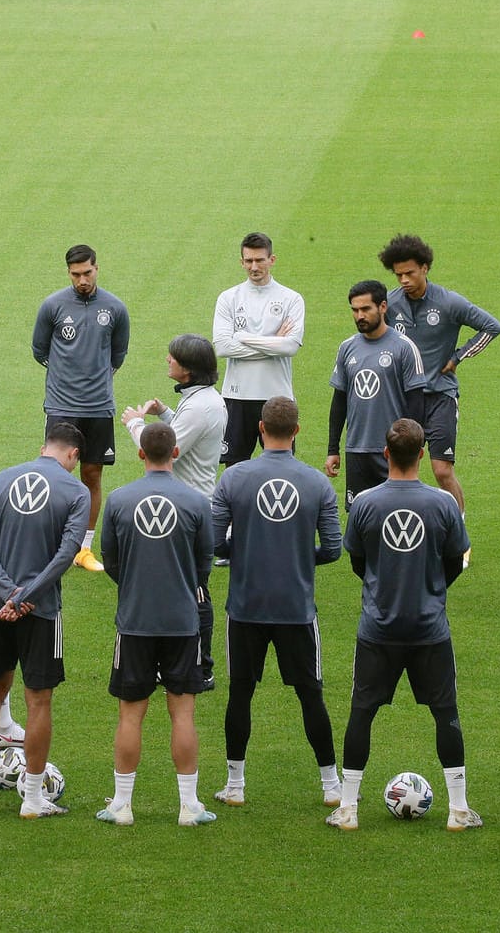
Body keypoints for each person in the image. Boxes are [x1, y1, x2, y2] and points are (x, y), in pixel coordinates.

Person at [328, 419, 479, 832]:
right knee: (445, 712)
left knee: (362, 712)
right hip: (430, 628)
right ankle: (459, 811)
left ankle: (348, 810)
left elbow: (359, 561)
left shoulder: (365, 503)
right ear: (422, 452)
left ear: (385, 453)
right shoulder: (444, 503)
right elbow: (458, 559)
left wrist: (383, 587)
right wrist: (433, 588)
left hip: (377, 628)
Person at [208, 396, 342, 808]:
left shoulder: (232, 479)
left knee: (240, 693)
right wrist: (301, 556)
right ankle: (331, 785)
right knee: (310, 694)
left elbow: (214, 544)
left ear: (260, 430)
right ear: (297, 431)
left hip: (246, 606)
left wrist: (242, 550)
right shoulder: (317, 483)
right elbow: (334, 549)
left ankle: (235, 784)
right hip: (296, 608)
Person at [94, 423, 218, 827]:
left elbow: (110, 560)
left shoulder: (117, 500)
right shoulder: (197, 503)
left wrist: (132, 586)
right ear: (176, 452)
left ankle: (122, 806)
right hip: (183, 622)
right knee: (183, 714)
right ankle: (188, 806)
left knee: (130, 714)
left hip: (134, 621)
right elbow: (204, 567)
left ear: (141, 454)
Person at [0, 424, 90, 818]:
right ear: (73, 455)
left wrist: (6, 592)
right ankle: (33, 798)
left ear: (44, 448)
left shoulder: (2, 479)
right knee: (38, 700)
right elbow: (67, 552)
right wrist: (27, 596)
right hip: (41, 610)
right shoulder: (76, 491)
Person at [377, 235, 500, 566]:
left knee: (441, 470)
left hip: (441, 396)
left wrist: (459, 357)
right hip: (405, 400)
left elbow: (491, 327)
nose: (404, 281)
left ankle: (458, 533)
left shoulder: (448, 303)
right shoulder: (391, 304)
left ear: (425, 268)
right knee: (398, 468)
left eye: (409, 273)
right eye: (398, 275)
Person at [122, 333, 226, 690]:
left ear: (188, 370)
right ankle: (185, 662)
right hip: (192, 504)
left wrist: (136, 422)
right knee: (185, 586)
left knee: (196, 589)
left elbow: (167, 450)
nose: (167, 359)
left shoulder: (200, 406)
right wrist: (165, 412)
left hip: (189, 509)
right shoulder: (202, 399)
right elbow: (185, 434)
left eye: (173, 357)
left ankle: (203, 666)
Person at [31, 244, 129, 573]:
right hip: (61, 404)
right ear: (68, 273)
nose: (82, 280)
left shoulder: (114, 308)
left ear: (96, 268)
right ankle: (54, 542)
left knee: (92, 474)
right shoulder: (53, 306)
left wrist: (94, 378)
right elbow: (40, 350)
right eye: (76, 275)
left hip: (99, 406)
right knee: (56, 474)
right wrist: (67, 377)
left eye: (87, 273)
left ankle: (83, 549)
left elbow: (117, 355)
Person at [324, 281, 427, 508]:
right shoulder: (347, 347)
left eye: (365, 309)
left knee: (397, 511)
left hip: (394, 450)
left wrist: (412, 449)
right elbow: (339, 401)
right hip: (357, 450)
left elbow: (416, 404)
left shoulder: (404, 347)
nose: (359, 315)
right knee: (360, 514)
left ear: (382, 307)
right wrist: (333, 449)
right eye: (355, 310)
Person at [212, 232, 304, 464]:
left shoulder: (291, 299)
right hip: (237, 395)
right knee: (234, 466)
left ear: (272, 260)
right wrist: (273, 341)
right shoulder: (228, 298)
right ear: (241, 262)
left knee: (281, 466)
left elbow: (291, 346)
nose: (254, 267)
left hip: (278, 397)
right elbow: (222, 347)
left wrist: (242, 337)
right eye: (249, 261)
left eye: (260, 260)